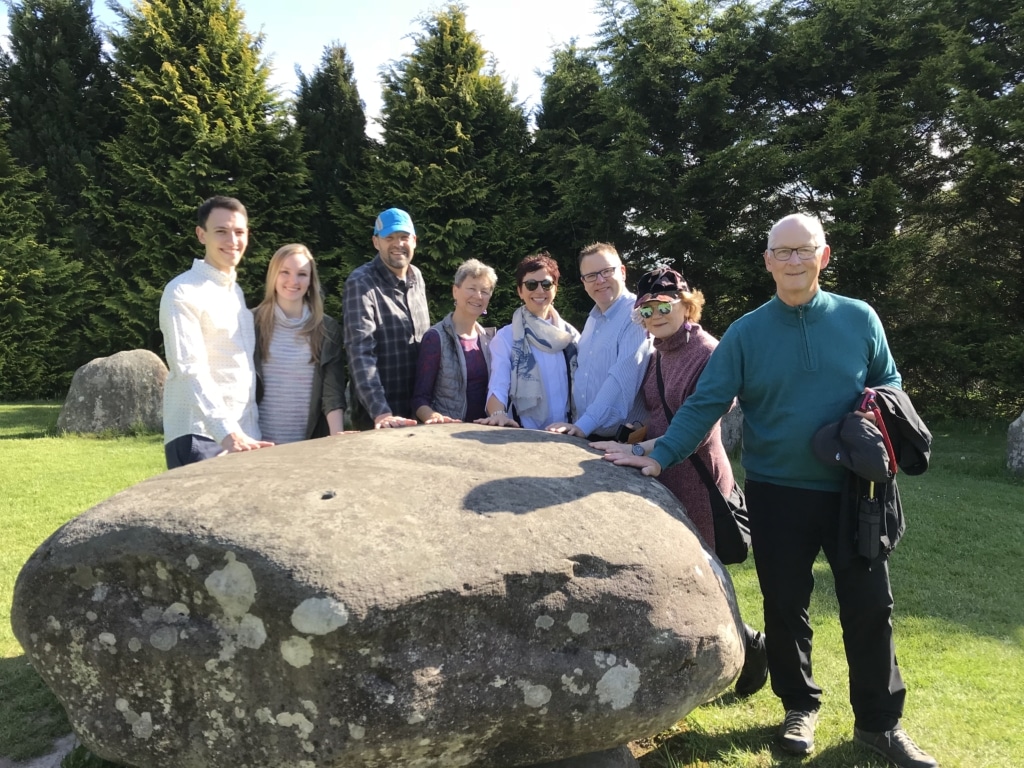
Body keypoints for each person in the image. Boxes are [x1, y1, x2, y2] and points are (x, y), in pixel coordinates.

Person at [595, 214, 938, 768]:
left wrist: (874, 412)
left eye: (805, 250)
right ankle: (798, 708)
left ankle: (880, 725)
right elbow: (705, 403)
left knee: (871, 607)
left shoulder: (860, 318)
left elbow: (890, 381)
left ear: (823, 257)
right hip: (777, 491)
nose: (795, 260)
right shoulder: (747, 334)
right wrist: (657, 454)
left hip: (857, 493)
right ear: (768, 261)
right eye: (784, 251)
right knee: (784, 608)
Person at [593, 265, 768, 697]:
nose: (655, 314)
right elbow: (654, 413)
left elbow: (701, 425)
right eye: (646, 309)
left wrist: (639, 450)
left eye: (664, 305)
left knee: (705, 577)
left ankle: (751, 651)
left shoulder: (708, 351)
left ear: (686, 305)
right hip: (663, 473)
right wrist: (618, 439)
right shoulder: (658, 353)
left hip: (701, 480)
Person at [159, 195, 272, 469]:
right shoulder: (182, 291)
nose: (232, 241)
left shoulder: (236, 292)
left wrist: (244, 433)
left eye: (239, 232)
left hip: (243, 437)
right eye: (221, 231)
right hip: (201, 436)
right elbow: (189, 369)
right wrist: (227, 433)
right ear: (201, 235)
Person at [545, 242, 650, 440]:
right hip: (587, 433)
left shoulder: (637, 317)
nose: (600, 280)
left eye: (607, 271)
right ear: (584, 282)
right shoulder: (593, 319)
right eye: (591, 276)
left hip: (620, 442)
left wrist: (583, 425)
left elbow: (620, 379)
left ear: (623, 272)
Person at [342, 208, 431, 430]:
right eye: (389, 237)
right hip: (378, 421)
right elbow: (360, 353)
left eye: (403, 237)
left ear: (414, 240)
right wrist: (381, 412)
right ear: (376, 242)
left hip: (418, 414)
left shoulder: (417, 277)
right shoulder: (361, 283)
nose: (397, 244)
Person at [252, 244, 346, 443]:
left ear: (311, 280)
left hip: (306, 447)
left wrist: (337, 436)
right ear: (273, 275)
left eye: (302, 274)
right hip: (257, 444)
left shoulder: (327, 328)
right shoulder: (251, 322)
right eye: (285, 272)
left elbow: (332, 391)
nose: (293, 281)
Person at [477, 252, 579, 429]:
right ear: (520, 291)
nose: (539, 291)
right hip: (524, 435)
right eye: (531, 285)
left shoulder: (570, 336)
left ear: (556, 288)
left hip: (566, 434)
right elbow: (498, 384)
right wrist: (498, 414)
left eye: (547, 284)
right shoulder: (507, 337)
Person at [412, 259, 497, 423]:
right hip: (448, 435)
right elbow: (419, 399)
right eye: (471, 288)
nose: (478, 296)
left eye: (485, 291)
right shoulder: (435, 338)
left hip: (485, 434)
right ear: (455, 291)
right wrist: (432, 417)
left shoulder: (490, 339)